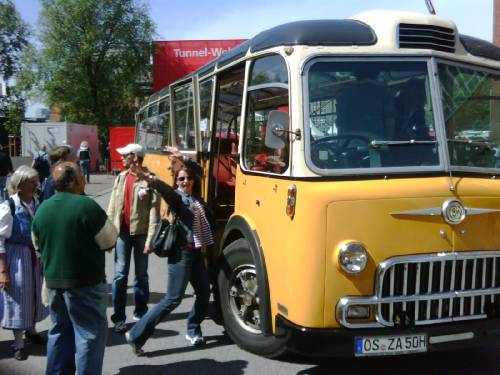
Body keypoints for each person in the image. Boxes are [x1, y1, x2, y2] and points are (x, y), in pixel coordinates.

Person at [32, 162, 118, 375]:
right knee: (89, 335)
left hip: (53, 283)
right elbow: (109, 240)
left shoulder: (43, 208)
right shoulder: (86, 206)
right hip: (85, 283)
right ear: (78, 181)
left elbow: (37, 245)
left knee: (59, 332)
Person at [124, 166, 213, 356]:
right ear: (177, 182)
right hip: (181, 254)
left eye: (188, 178)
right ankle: (135, 334)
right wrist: (152, 180)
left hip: (197, 253)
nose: (186, 181)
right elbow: (166, 191)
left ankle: (193, 329)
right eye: (181, 179)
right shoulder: (178, 198)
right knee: (172, 299)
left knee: (204, 292)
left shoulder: (197, 197)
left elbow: (198, 170)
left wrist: (183, 158)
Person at [107, 143, 160, 333]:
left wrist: (150, 240)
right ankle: (119, 317)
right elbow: (113, 207)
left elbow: (155, 213)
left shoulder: (150, 180)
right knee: (120, 275)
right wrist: (108, 234)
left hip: (141, 235)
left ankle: (140, 312)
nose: (121, 158)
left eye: (124, 155)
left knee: (141, 276)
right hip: (122, 234)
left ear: (135, 157)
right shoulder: (121, 178)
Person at [0, 166, 49, 360]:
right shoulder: (8, 206)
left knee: (35, 293)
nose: (36, 184)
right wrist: (2, 270)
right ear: (20, 185)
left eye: (36, 181)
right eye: (32, 181)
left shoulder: (37, 202)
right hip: (16, 256)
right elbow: (0, 240)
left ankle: (32, 329)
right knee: (18, 297)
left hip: (34, 256)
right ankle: (18, 342)